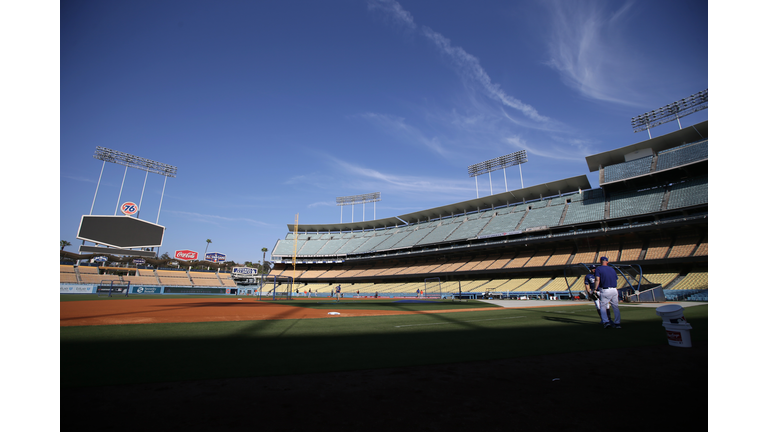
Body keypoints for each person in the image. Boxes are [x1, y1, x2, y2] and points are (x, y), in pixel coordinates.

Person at [594, 257, 621, 328]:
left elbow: (597, 280)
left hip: (605, 290)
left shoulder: (598, 269)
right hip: (614, 289)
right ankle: (617, 323)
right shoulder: (612, 269)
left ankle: (606, 322)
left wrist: (595, 289)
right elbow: (616, 278)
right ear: (607, 262)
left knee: (603, 306)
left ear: (600, 261)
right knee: (615, 307)